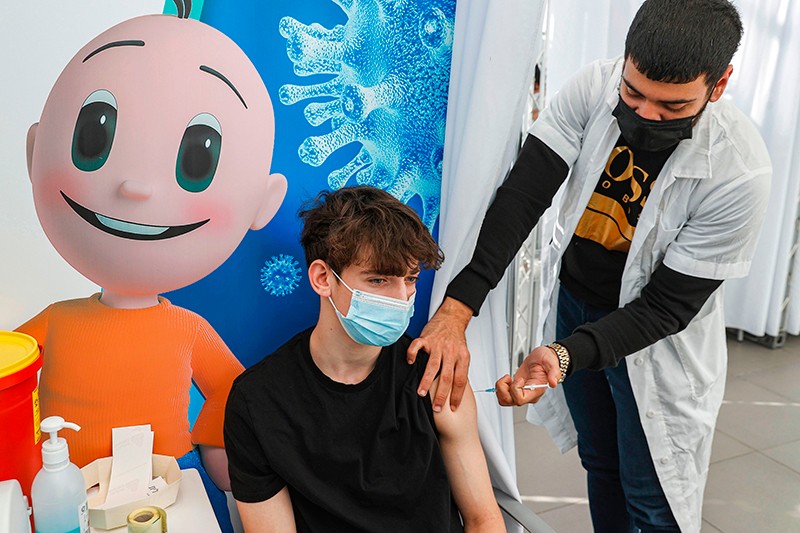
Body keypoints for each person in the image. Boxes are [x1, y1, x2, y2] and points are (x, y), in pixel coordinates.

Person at [407, 1, 771, 532]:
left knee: (651, 500)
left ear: (718, 86)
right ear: (625, 59)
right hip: (578, 303)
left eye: (671, 107)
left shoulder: (739, 171)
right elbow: (523, 196)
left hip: (655, 342)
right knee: (600, 464)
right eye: (634, 93)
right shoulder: (592, 89)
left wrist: (564, 354)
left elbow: (665, 309)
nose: (645, 115)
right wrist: (457, 310)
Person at [16, 7, 287, 530]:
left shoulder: (187, 329)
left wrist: (212, 443)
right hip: (65, 492)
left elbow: (235, 389)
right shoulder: (58, 320)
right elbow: (11, 372)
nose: (135, 189)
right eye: (95, 136)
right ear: (35, 152)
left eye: (197, 159)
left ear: (262, 203)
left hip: (165, 492)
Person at [224, 186, 504, 532]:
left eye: (411, 279)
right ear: (323, 278)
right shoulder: (258, 403)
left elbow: (483, 519)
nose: (402, 298)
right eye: (379, 280)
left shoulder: (435, 374)